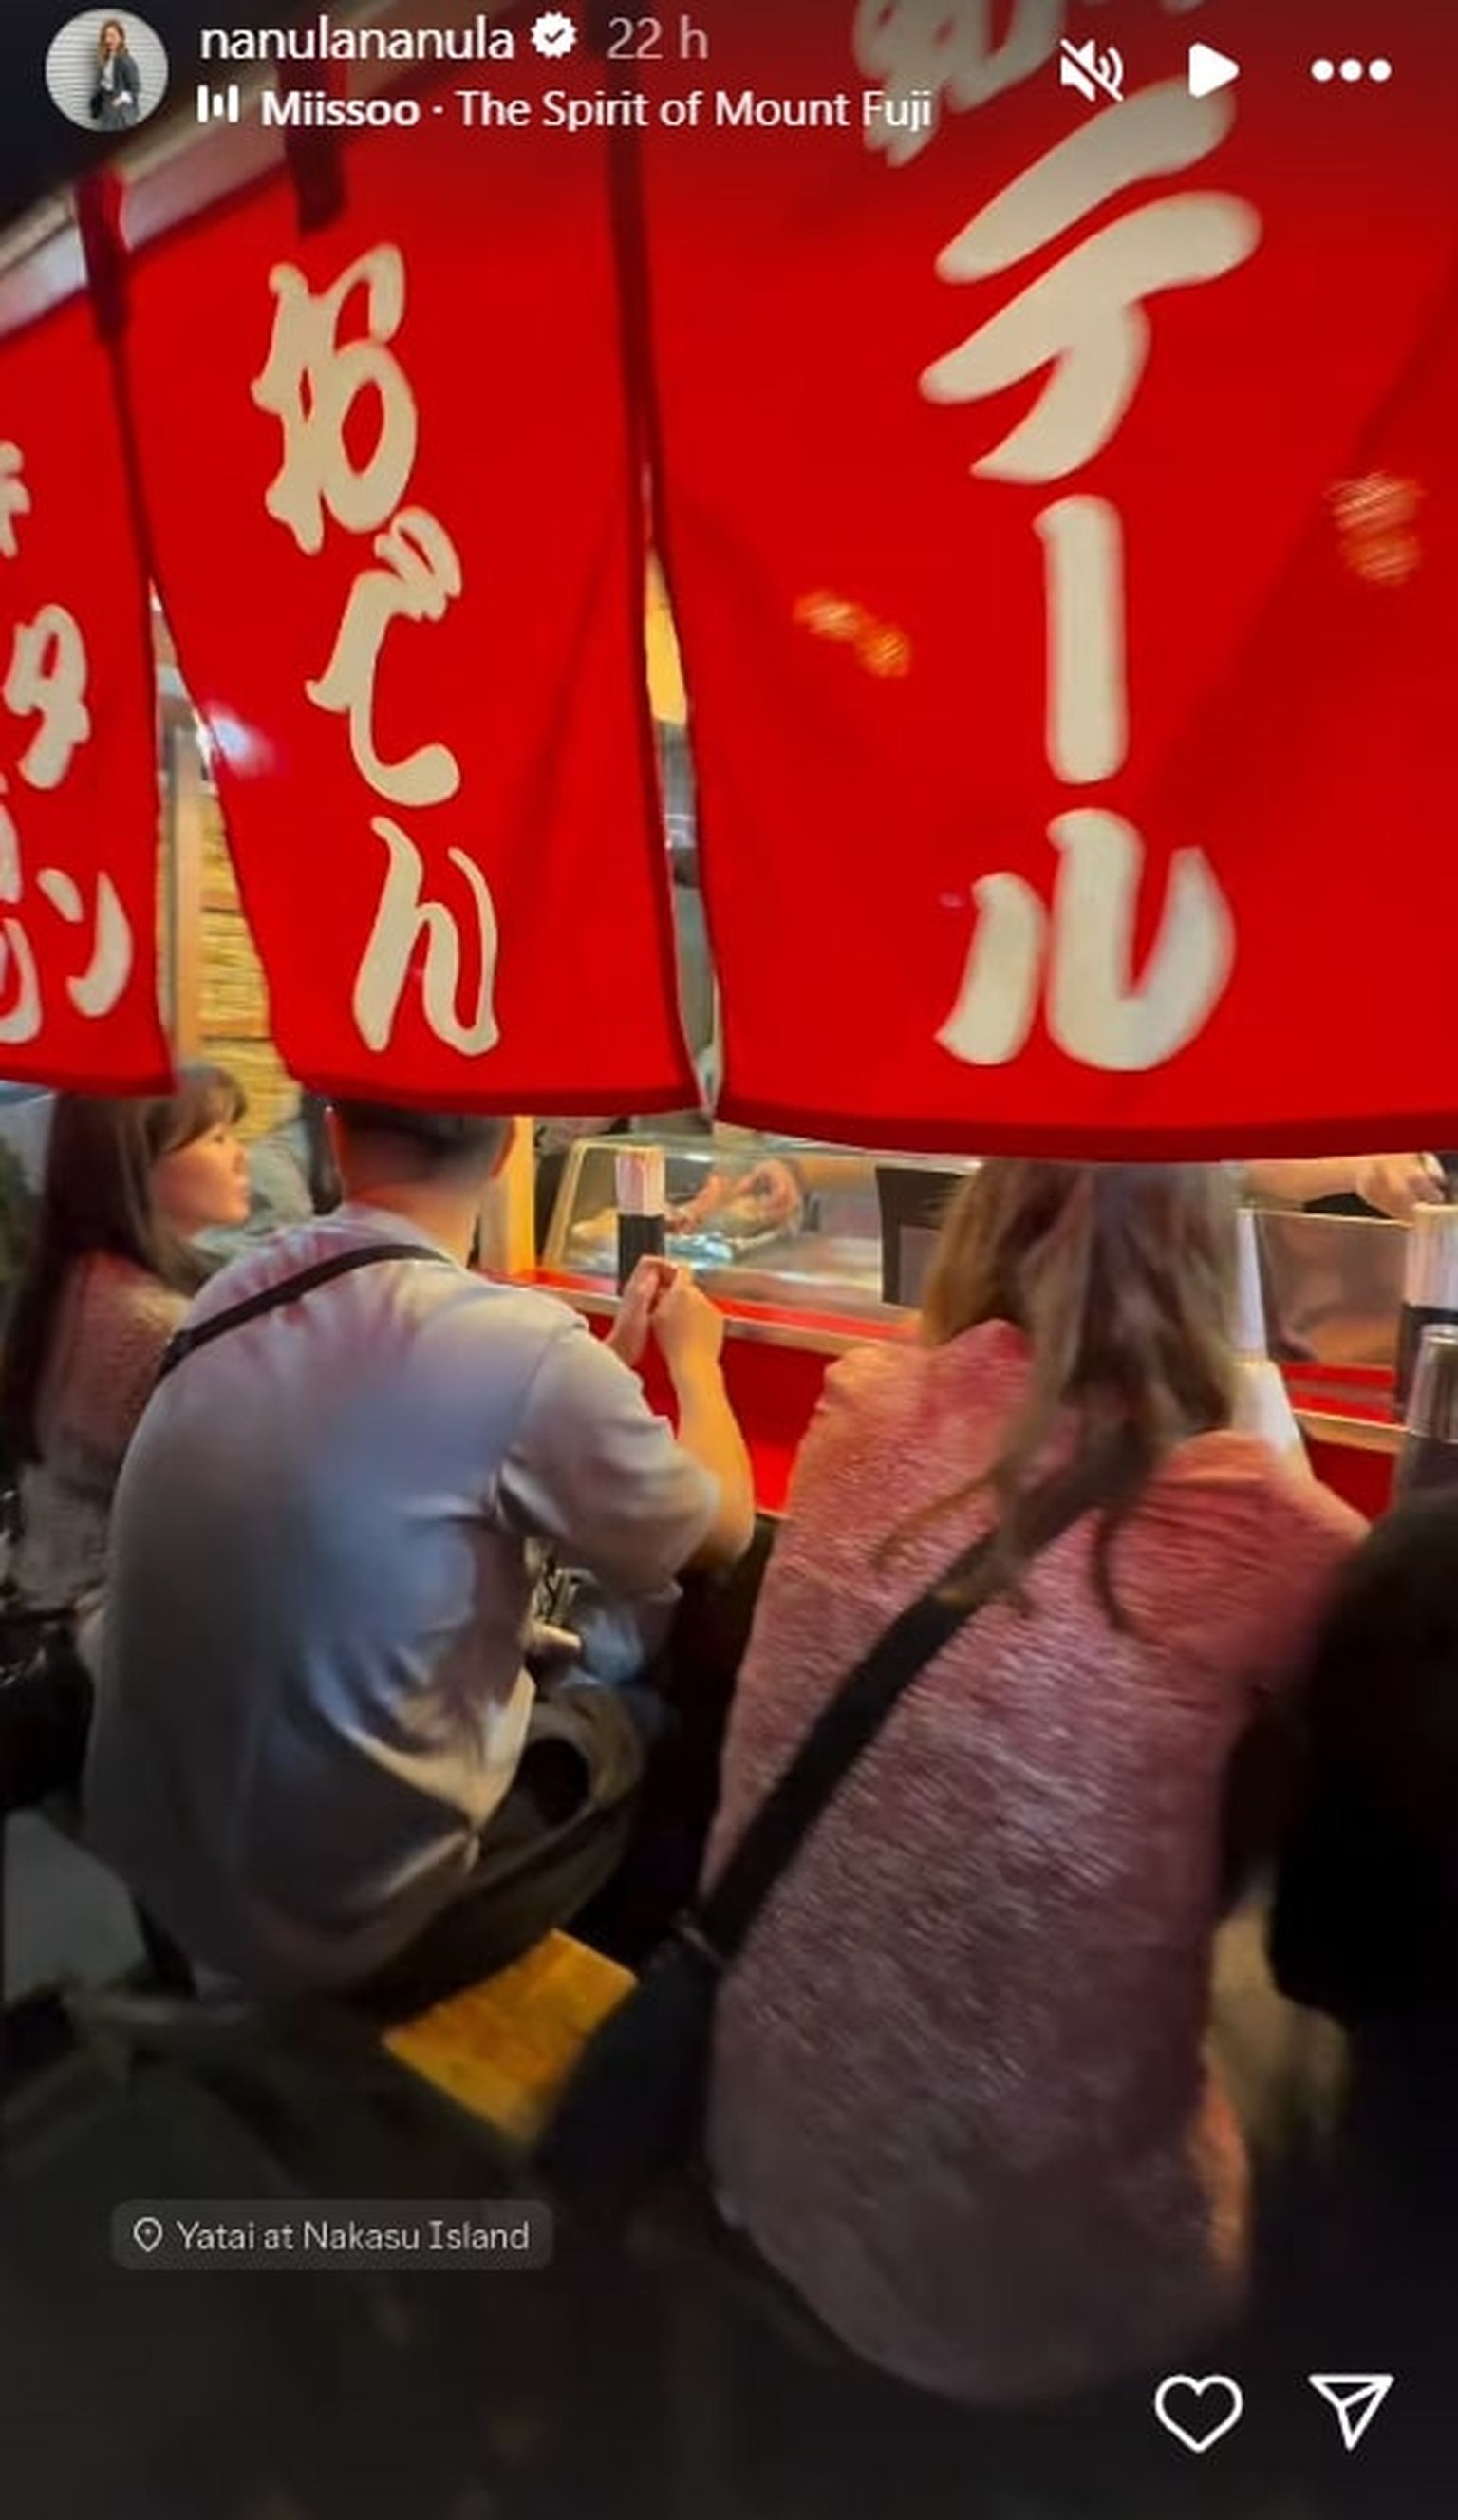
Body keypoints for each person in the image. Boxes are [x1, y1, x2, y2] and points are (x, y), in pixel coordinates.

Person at [703, 1159, 1362, 2407]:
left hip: (766, 2159)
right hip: (1042, 2294)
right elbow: (1394, 1634)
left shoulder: (861, 1399)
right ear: (1209, 1261)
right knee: (1315, 2026)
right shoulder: (1248, 1517)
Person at [84, 1100, 755, 2011]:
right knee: (639, 1711)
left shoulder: (231, 1293)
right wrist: (697, 1366)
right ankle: (628, 2025)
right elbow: (722, 1529)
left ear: (335, 1134)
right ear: (511, 1145)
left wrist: (600, 1366)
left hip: (162, 1862)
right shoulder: (513, 1343)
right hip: (339, 1920)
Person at [0, 1068, 249, 1619]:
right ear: (139, 1161)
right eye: (217, 1138)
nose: (241, 1156)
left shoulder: (79, 1276)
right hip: (114, 1625)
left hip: (53, 1592)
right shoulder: (150, 1325)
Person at [89, 19, 141, 131]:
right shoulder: (106, 58)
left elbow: (136, 88)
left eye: (112, 36)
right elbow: (106, 79)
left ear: (121, 38)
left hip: (121, 110)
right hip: (107, 104)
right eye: (106, 36)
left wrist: (119, 100)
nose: (108, 40)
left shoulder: (126, 60)